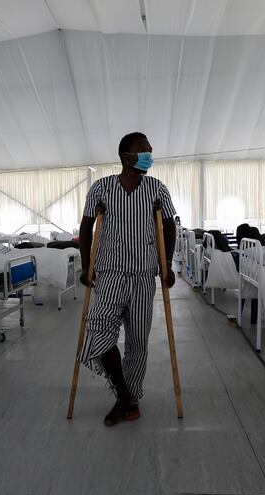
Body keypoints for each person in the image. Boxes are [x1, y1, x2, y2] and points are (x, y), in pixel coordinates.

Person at [77, 132, 177, 427]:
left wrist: (166, 264)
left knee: (137, 342)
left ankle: (130, 400)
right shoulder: (102, 188)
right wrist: (86, 266)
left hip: (144, 275)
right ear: (126, 157)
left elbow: (169, 226)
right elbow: (85, 227)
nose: (150, 153)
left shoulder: (157, 189)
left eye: (150, 149)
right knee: (97, 328)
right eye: (144, 150)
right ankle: (122, 393)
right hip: (109, 274)